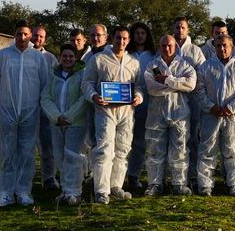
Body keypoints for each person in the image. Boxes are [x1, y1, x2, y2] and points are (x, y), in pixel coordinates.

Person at [81, 25, 145, 204]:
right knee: (104, 149)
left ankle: (116, 185)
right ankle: (101, 190)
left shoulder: (133, 62)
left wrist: (138, 97)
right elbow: (87, 83)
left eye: (125, 38)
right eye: (118, 38)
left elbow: (139, 86)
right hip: (105, 111)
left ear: (129, 40)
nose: (121, 41)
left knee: (123, 149)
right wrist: (94, 96)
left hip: (126, 112)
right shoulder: (99, 59)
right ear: (112, 38)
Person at [0, 20, 48, 207]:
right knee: (7, 152)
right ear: (13, 35)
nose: (22, 38)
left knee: (27, 153)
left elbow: (44, 84)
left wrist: (34, 106)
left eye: (25, 34)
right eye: (18, 34)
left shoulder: (38, 58)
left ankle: (24, 191)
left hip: (31, 111)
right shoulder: (3, 56)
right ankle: (5, 192)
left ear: (30, 35)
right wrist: (8, 102)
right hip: (8, 111)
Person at [196, 35, 235, 197]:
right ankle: (205, 185)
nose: (222, 48)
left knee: (233, 150)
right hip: (210, 116)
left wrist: (231, 107)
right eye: (218, 46)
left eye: (225, 45)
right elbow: (199, 89)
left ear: (231, 47)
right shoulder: (205, 67)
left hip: (232, 116)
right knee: (207, 150)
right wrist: (211, 107)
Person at [144, 35, 197, 196]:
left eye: (170, 45)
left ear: (175, 46)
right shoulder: (152, 65)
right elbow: (151, 88)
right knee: (154, 149)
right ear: (159, 47)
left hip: (179, 112)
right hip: (156, 113)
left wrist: (167, 79)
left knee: (180, 149)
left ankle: (179, 183)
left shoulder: (185, 65)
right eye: (163, 45)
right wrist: (177, 85)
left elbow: (191, 85)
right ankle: (155, 183)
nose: (167, 48)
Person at [40, 44, 89, 206]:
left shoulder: (82, 74)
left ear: (76, 58)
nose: (67, 59)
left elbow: (84, 99)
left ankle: (75, 192)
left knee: (73, 157)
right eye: (64, 56)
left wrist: (68, 117)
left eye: (71, 56)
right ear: (60, 57)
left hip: (75, 123)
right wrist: (56, 117)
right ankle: (66, 189)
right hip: (57, 123)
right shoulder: (54, 75)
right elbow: (45, 97)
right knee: (59, 157)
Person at [171, 16, 206, 188]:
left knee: (193, 137)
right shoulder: (167, 47)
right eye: (177, 27)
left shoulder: (195, 50)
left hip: (192, 99)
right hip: (171, 99)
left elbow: (201, 75)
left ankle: (193, 175)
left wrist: (185, 84)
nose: (179, 30)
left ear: (188, 29)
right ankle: (175, 176)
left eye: (182, 27)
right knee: (175, 139)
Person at [126, 21, 156, 192]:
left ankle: (134, 175)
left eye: (142, 33)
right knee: (121, 142)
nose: (139, 36)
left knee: (139, 143)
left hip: (146, 104)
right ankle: (117, 176)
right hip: (123, 103)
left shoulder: (153, 55)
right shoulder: (126, 54)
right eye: (136, 33)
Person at [32, 23, 59, 191]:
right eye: (35, 35)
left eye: (41, 36)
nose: (37, 39)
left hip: (45, 108)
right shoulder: (23, 55)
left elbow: (56, 81)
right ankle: (24, 178)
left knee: (48, 146)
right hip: (27, 105)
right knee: (26, 148)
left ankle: (49, 178)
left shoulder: (51, 58)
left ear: (45, 39)